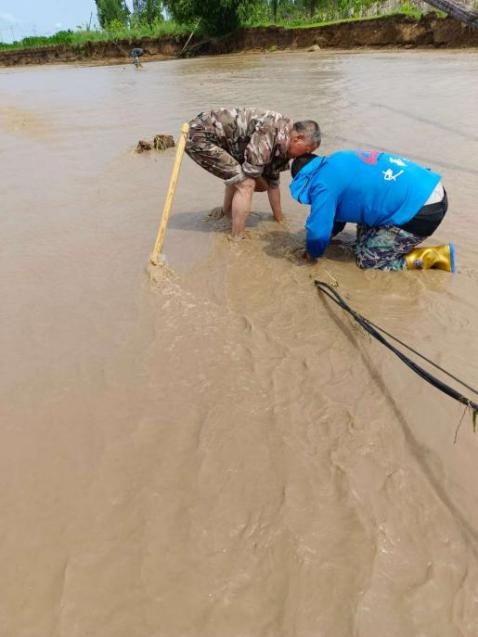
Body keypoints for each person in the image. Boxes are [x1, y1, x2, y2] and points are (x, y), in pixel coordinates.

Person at [289, 150, 455, 272]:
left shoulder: (322, 185)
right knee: (360, 240)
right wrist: (331, 234)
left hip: (421, 210)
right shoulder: (338, 159)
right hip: (427, 188)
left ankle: (436, 257)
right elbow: (339, 208)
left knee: (367, 261)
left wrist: (311, 255)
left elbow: (318, 232)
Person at [185, 107, 321, 240]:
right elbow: (251, 173)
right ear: (298, 138)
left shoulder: (285, 143)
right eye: (307, 151)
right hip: (198, 135)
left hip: (220, 141)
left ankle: (226, 212)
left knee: (239, 174)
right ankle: (237, 237)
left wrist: (280, 221)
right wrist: (262, 185)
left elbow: (273, 183)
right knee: (246, 183)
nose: (306, 156)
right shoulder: (271, 130)